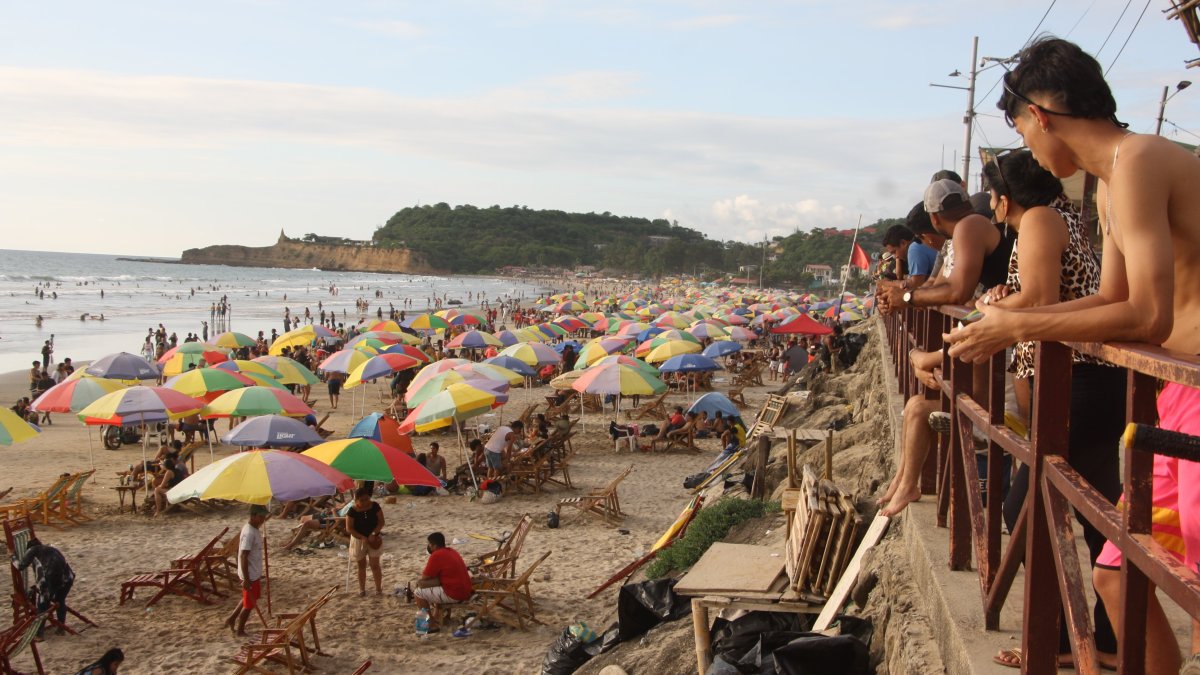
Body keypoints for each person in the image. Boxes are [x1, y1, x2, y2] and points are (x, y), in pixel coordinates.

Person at [942, 36, 1200, 675]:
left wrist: (1014, 328)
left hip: (1193, 392)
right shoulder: (1112, 181)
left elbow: (1147, 314)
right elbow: (1113, 296)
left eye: (1020, 129)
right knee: (1119, 575)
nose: (1026, 146)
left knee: (1184, 580)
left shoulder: (1138, 160)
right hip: (1175, 397)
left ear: (1040, 113)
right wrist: (1012, 320)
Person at [411, 532, 473, 632]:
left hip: (455, 593)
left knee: (418, 593)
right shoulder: (452, 551)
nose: (429, 547)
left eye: (430, 545)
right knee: (435, 589)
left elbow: (425, 577)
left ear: (434, 545)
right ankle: (437, 617)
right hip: (466, 590)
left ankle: (431, 624)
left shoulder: (437, 555)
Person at [14, 537, 75, 631]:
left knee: (43, 606)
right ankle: (61, 629)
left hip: (51, 578)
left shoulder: (32, 550)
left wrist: (12, 556)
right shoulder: (50, 548)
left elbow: (20, 566)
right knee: (60, 601)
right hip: (68, 577)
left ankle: (39, 634)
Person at [224, 505, 267, 636]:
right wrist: (247, 579)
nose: (263, 519)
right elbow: (243, 555)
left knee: (250, 598)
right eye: (260, 517)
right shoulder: (249, 532)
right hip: (250, 574)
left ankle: (231, 619)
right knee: (249, 604)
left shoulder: (254, 529)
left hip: (254, 571)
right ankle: (240, 630)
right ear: (253, 516)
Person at [345, 486, 384, 596]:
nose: (365, 502)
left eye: (367, 499)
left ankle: (378, 589)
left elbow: (381, 522)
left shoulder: (375, 506)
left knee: (375, 565)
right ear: (356, 500)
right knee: (361, 565)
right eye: (362, 500)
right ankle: (362, 589)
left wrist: (373, 534)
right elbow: (349, 528)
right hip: (358, 539)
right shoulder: (352, 510)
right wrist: (362, 537)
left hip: (374, 538)